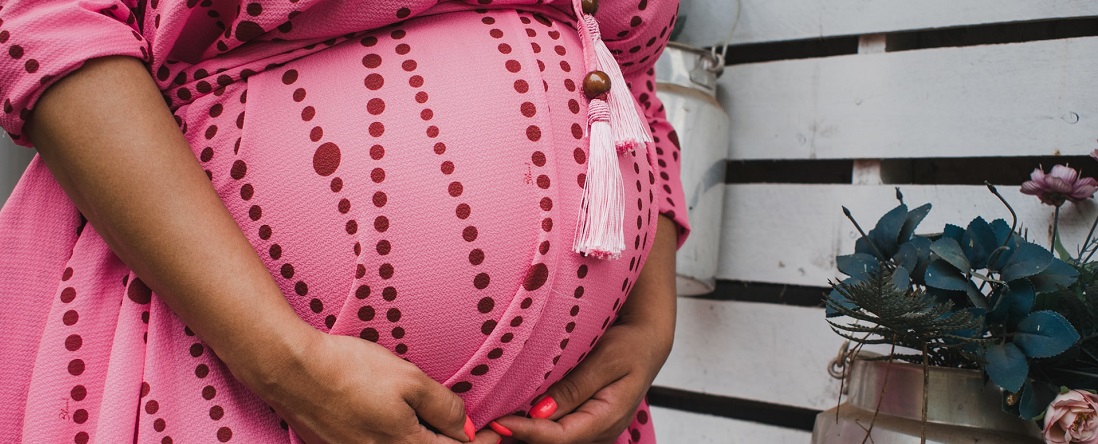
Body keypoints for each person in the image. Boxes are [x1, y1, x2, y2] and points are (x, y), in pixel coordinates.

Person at [0, 0, 689, 442]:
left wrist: (651, 325)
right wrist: (283, 364)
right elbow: (47, 22)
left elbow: (632, 82)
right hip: (223, 376)